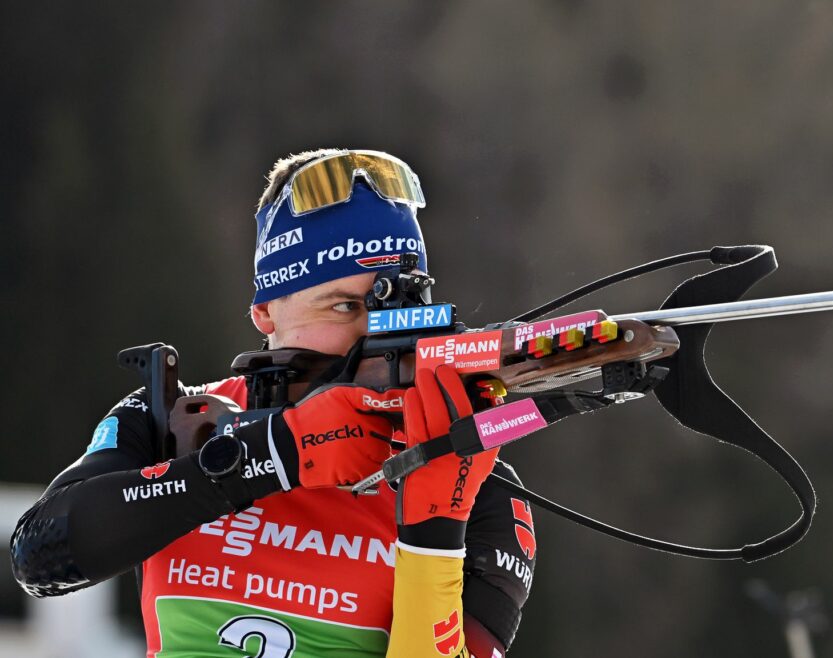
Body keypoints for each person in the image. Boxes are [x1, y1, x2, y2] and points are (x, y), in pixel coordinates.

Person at [9, 149, 536, 658]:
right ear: (265, 310)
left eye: (398, 307)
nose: (371, 337)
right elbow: (40, 555)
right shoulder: (179, 416)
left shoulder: (474, 473)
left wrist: (435, 528)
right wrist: (275, 455)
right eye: (345, 306)